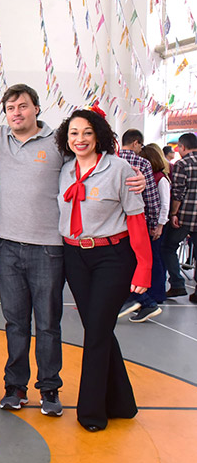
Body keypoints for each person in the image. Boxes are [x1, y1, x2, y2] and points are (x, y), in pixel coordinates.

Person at [55, 107, 151, 432]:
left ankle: (91, 412)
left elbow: (136, 219)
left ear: (98, 136)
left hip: (112, 257)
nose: (80, 139)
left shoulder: (120, 169)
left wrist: (144, 267)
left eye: (87, 132)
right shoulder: (64, 170)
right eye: (74, 133)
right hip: (74, 257)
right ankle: (122, 403)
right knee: (99, 329)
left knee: (95, 333)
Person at [0, 84, 66, 415]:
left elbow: (90, 161)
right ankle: (15, 387)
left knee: (47, 322)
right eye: (10, 108)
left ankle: (49, 388)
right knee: (15, 323)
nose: (16, 113)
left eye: (23, 106)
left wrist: (132, 173)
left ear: (36, 108)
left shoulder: (59, 142)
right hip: (7, 247)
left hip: (48, 247)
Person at [117, 130, 162, 319]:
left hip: (113, 225)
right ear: (135, 143)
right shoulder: (142, 163)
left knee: (121, 264)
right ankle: (143, 301)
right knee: (134, 263)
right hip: (136, 221)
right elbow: (151, 197)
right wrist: (153, 223)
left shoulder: (110, 159)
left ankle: (141, 301)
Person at [124, 144, 169, 321]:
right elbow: (154, 202)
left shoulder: (159, 178)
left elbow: (160, 203)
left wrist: (158, 224)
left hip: (143, 225)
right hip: (144, 224)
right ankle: (144, 298)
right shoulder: (149, 171)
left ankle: (148, 298)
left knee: (149, 261)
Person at [161, 132, 197, 302]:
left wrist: (173, 213)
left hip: (185, 217)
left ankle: (177, 284)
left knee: (168, 248)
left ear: (182, 147)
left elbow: (178, 192)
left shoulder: (182, 164)